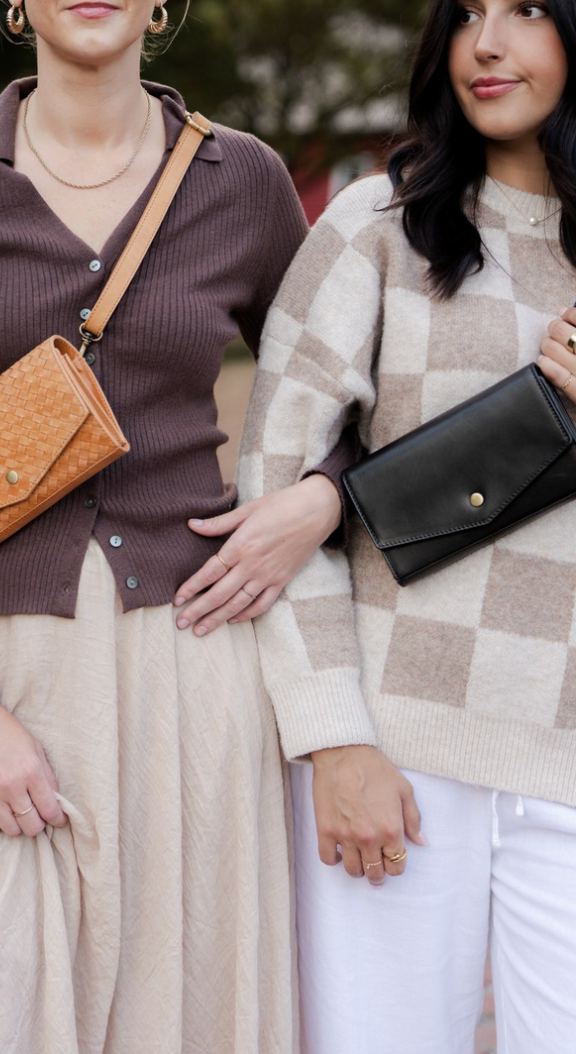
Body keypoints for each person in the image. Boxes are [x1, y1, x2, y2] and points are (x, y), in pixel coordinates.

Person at [0, 1, 355, 1050]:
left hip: (193, 671)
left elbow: (339, 406)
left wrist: (318, 499)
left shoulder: (238, 179)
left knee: (171, 1010)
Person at [239, 0, 576, 1050]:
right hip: (399, 753)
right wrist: (332, 737)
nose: (486, 43)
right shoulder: (372, 228)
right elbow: (272, 488)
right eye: (466, 13)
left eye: (526, 11)